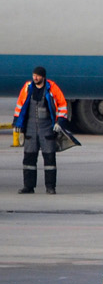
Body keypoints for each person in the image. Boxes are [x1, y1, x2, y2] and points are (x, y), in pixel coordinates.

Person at [13, 66, 68, 194]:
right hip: (30, 128)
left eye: (37, 76)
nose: (35, 78)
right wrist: (17, 122)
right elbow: (20, 105)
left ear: (43, 76)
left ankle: (50, 187)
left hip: (47, 128)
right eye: (34, 75)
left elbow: (62, 105)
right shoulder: (27, 88)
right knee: (29, 159)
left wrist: (60, 122)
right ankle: (28, 186)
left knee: (49, 159)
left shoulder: (52, 88)